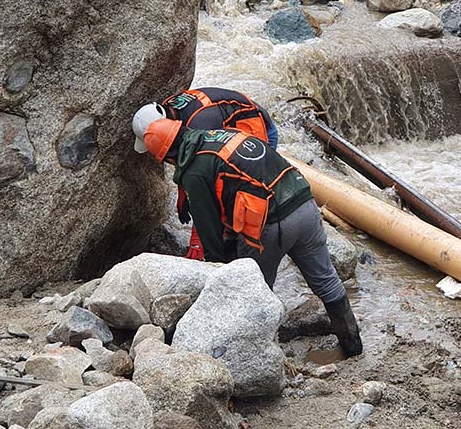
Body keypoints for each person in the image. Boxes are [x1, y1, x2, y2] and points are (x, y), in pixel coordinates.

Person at [132, 114, 363, 357]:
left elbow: (209, 233)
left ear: (167, 157)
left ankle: (263, 359)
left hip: (273, 225)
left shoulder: (194, 171)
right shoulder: (223, 134)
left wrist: (220, 275)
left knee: (256, 293)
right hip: (305, 202)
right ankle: (352, 345)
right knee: (325, 279)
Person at [132, 87, 279, 260]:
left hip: (257, 130)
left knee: (243, 200)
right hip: (232, 127)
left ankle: (255, 247)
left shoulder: (200, 122)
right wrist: (182, 193)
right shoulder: (168, 110)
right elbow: (185, 158)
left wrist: (198, 239)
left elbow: (204, 188)